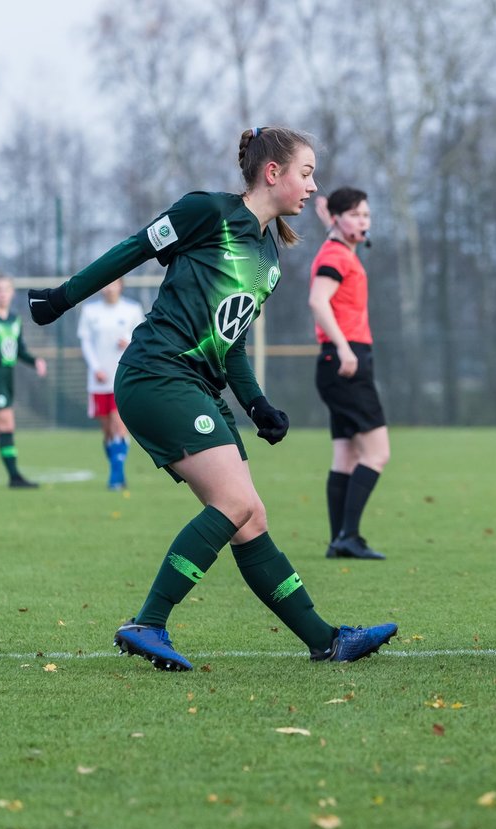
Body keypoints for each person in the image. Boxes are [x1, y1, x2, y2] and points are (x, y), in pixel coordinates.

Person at [26, 127, 397, 671]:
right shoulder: (209, 211)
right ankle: (148, 622)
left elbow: (233, 339)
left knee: (251, 517)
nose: (313, 187)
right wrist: (61, 300)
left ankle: (327, 641)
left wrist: (257, 404)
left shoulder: (270, 257)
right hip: (156, 373)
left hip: (194, 383)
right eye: (307, 172)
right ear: (273, 173)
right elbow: (135, 248)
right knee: (234, 504)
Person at [308, 187, 388, 560]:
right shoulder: (337, 255)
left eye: (367, 216)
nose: (363, 221)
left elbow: (338, 235)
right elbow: (317, 300)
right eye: (355, 214)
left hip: (337, 364)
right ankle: (348, 537)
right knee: (377, 454)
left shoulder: (338, 247)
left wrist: (331, 221)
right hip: (346, 360)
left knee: (346, 457)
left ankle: (339, 540)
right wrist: (342, 347)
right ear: (339, 218)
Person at [76, 277, 145, 489]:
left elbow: (143, 338)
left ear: (121, 285)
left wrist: (131, 342)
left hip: (123, 376)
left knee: (119, 424)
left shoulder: (132, 309)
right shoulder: (90, 311)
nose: (108, 287)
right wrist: (96, 367)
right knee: (107, 430)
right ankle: (116, 470)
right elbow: (86, 342)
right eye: (105, 283)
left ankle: (116, 476)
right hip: (98, 379)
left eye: (113, 283)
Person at [0, 274, 47, 489]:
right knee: (6, 423)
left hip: (7, 377)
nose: (2, 293)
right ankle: (14, 477)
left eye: (6, 289)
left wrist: (35, 361)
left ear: (12, 293)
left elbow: (19, 349)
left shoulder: (14, 319)